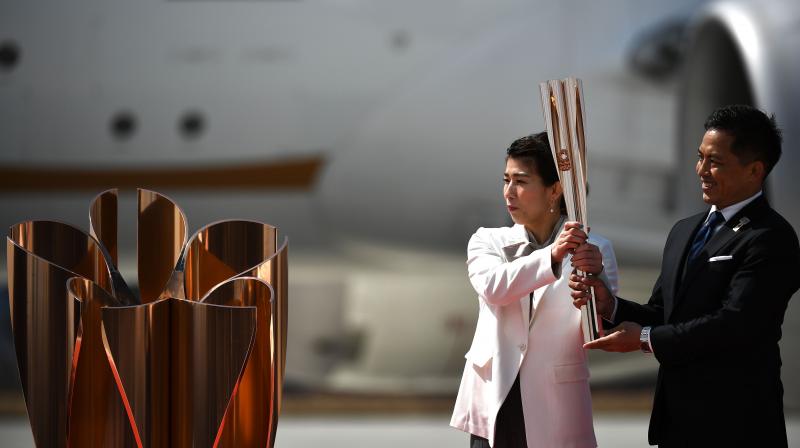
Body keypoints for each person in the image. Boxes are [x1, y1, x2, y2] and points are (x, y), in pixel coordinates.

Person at [570, 105, 800, 447]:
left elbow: (736, 323)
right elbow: (664, 312)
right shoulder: (685, 231)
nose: (701, 170)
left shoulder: (770, 237)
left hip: (738, 424)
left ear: (754, 170)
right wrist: (611, 306)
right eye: (700, 157)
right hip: (676, 422)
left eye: (716, 162)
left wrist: (645, 338)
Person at [450, 132, 619, 448]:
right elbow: (494, 287)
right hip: (495, 400)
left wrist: (597, 285)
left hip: (556, 403)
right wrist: (553, 255)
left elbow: (596, 331)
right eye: (506, 180)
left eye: (521, 181)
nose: (509, 192)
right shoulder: (487, 240)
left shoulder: (595, 249)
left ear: (554, 189)